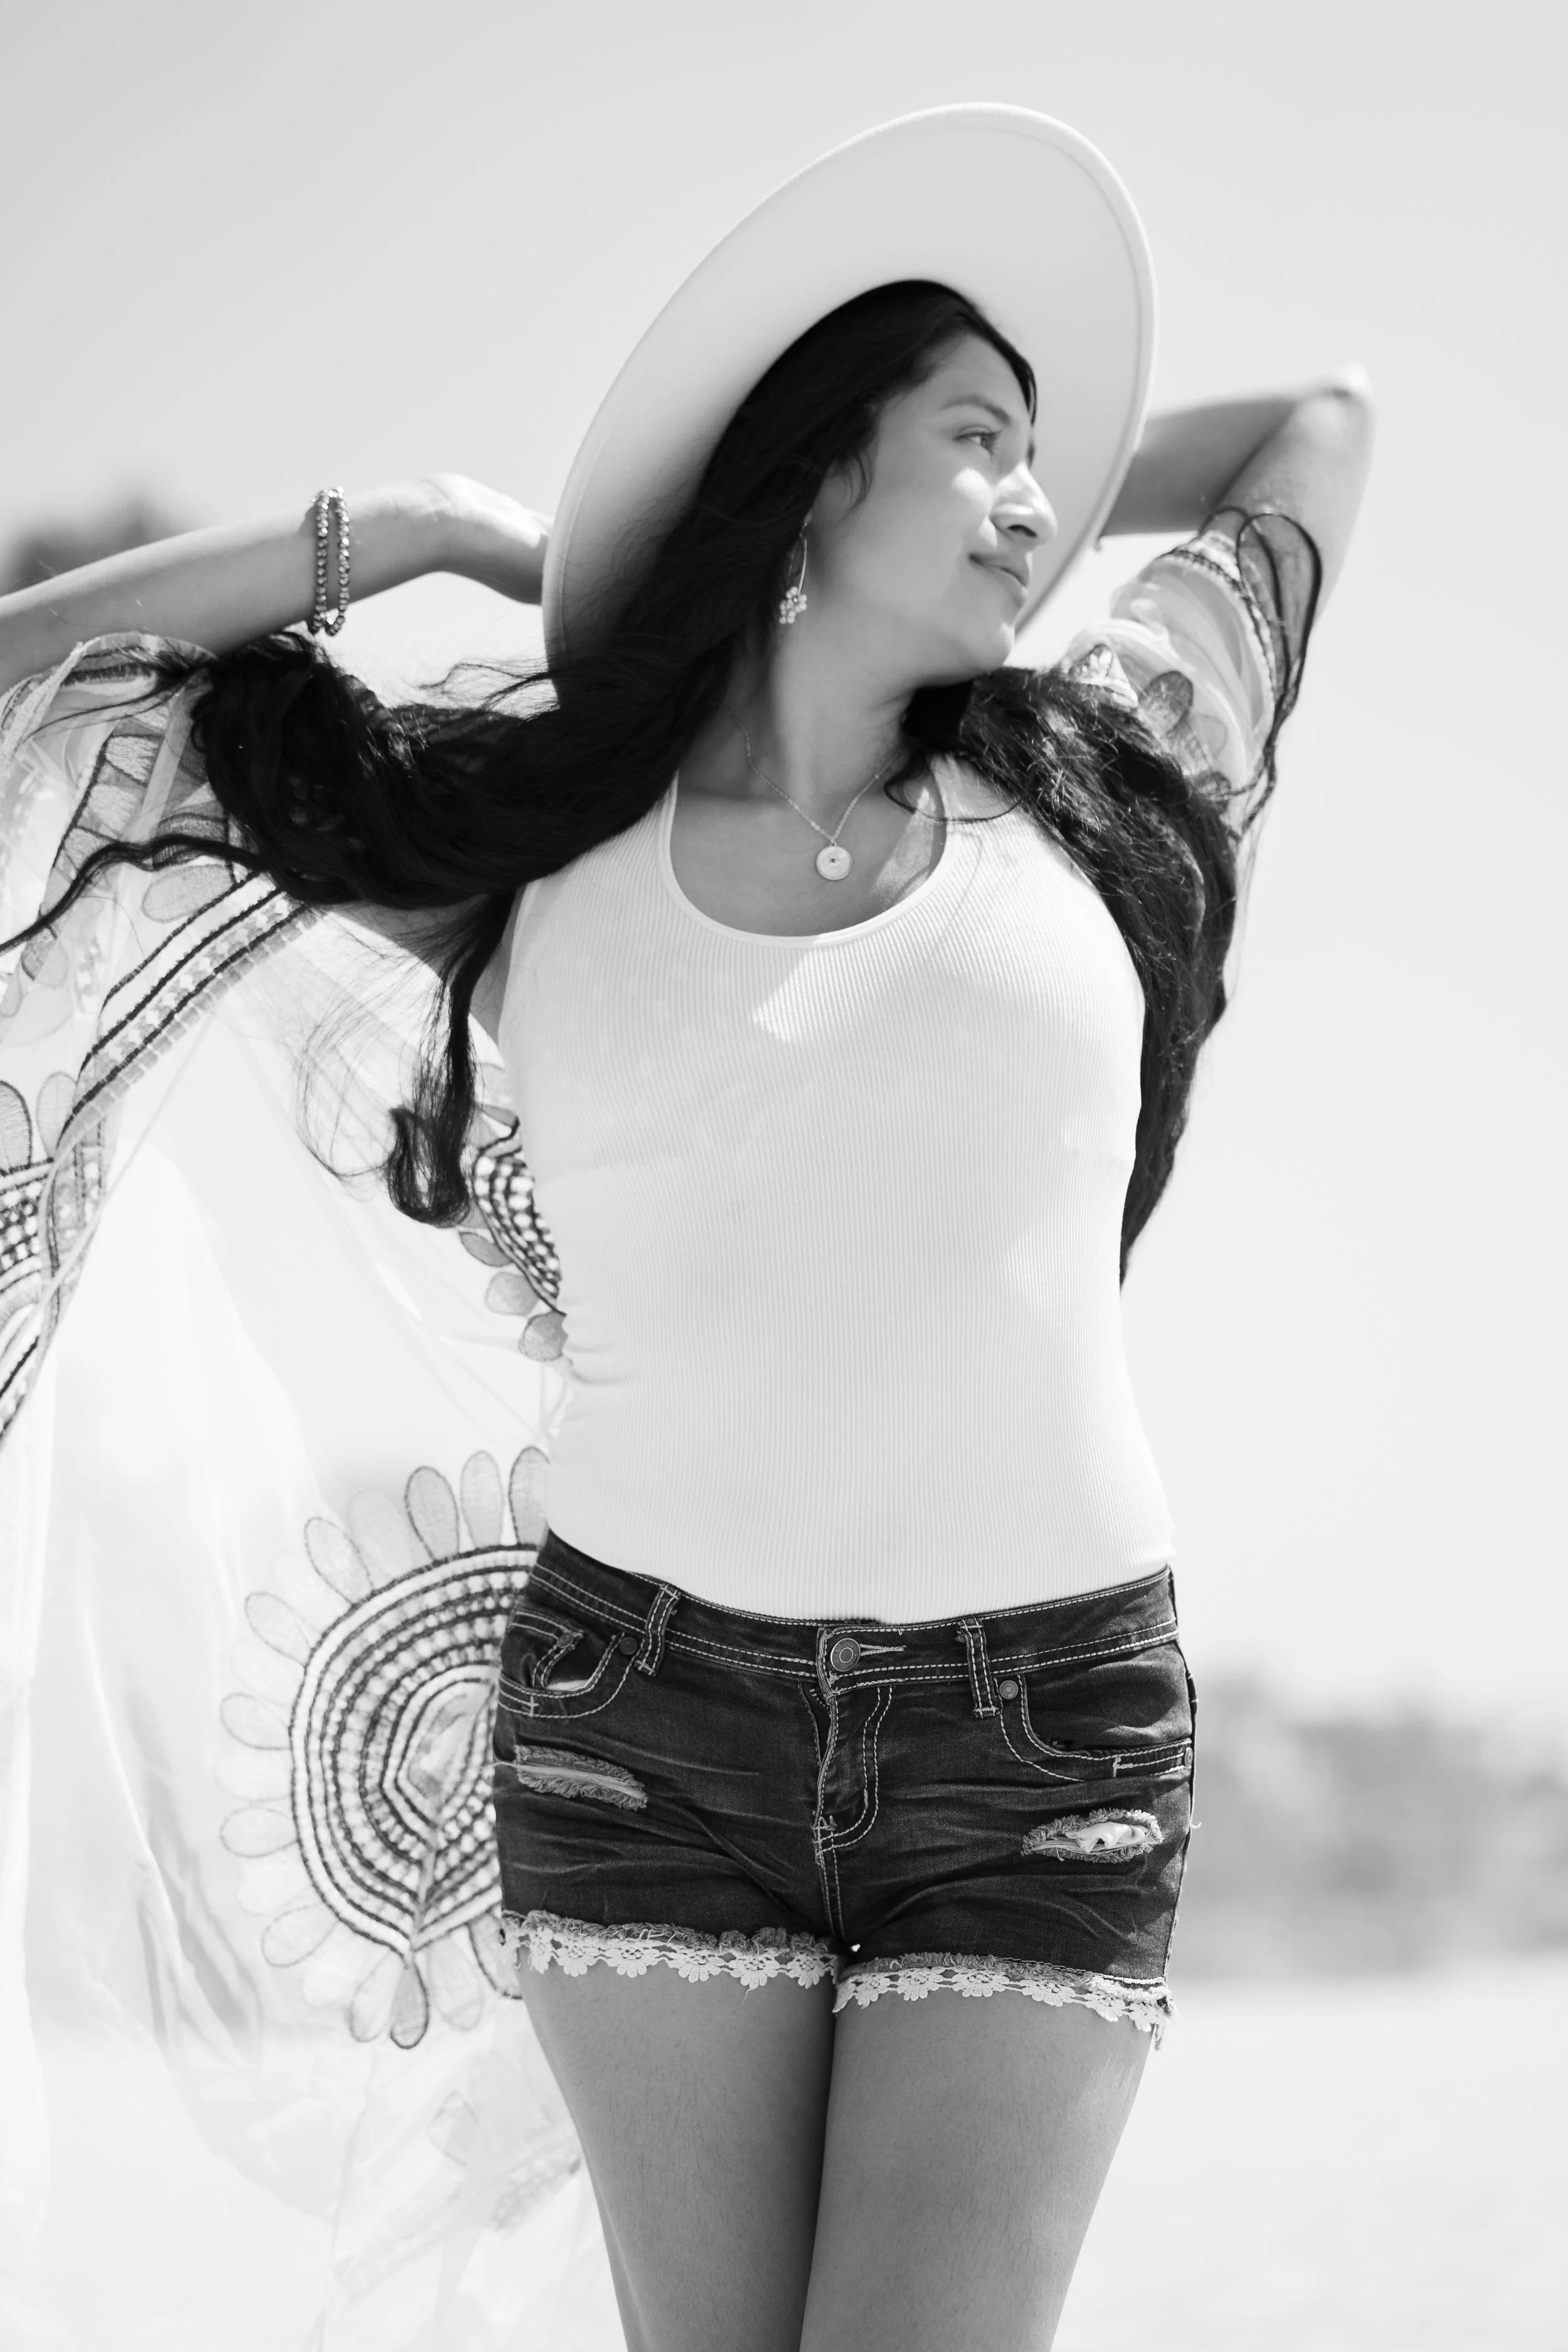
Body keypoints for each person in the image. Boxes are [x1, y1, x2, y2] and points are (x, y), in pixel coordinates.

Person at [0, 108, 1372, 2352]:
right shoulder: (535, 857)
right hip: (642, 1734)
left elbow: (1320, 423)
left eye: (1040, 457)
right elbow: (31, 670)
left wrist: (1029, 488)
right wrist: (429, 529)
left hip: (1040, 1742)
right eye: (979, 439)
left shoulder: (1101, 773)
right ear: (814, 473)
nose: (1032, 500)